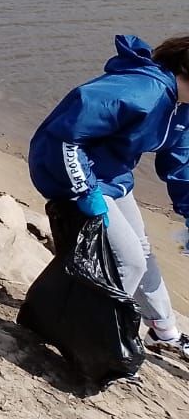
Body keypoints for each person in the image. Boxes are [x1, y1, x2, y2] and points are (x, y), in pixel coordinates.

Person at [28, 34, 189, 360]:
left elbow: (181, 163)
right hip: (65, 169)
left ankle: (165, 333)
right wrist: (85, 193)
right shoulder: (142, 92)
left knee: (143, 253)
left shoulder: (181, 106)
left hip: (111, 177)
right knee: (126, 260)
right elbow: (65, 137)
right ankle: (83, 342)